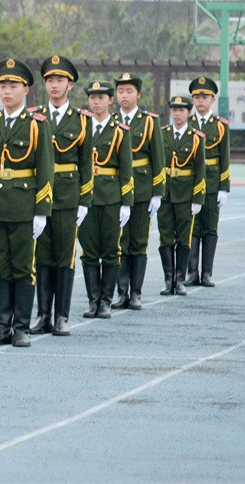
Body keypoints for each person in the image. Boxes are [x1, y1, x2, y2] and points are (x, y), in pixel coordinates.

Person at [0, 58, 53, 347]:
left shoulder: (37, 125)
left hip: (23, 205)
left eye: (13, 86)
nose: (7, 91)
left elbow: (45, 170)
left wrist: (41, 210)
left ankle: (22, 327)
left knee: (21, 267)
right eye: (3, 85)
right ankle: (2, 325)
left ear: (26, 90)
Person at [29, 55, 92, 336]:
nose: (54, 85)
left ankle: (61, 316)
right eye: (49, 80)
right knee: (41, 256)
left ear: (70, 85)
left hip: (67, 196)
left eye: (60, 80)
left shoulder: (81, 120)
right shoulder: (34, 117)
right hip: (39, 195)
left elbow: (87, 163)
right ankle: (42, 315)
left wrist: (85, 200)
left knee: (64, 256)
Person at [77, 81, 133, 319]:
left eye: (101, 97)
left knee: (110, 251)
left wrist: (127, 202)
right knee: (89, 251)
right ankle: (93, 300)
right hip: (86, 197)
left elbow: (126, 169)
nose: (96, 102)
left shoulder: (120, 131)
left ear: (111, 100)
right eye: (92, 97)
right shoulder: (80, 128)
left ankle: (106, 301)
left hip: (110, 197)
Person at [111, 73, 165, 311]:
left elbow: (158, 159)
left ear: (139, 95)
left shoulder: (149, 122)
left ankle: (136, 293)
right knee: (120, 242)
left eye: (129, 91)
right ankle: (122, 292)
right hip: (116, 189)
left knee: (138, 242)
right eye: (120, 91)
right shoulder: (111, 121)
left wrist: (157, 192)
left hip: (142, 188)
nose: (124, 95)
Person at [157, 95, 206, 296]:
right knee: (165, 236)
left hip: (186, 194)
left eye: (182, 110)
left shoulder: (196, 138)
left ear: (189, 113)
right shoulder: (162, 134)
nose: (177, 113)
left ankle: (179, 279)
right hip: (166, 193)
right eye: (174, 109)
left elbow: (200, 169)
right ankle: (168, 279)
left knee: (184, 238)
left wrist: (198, 198)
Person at [185, 76, 231, 287]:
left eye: (204, 97)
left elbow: (225, 157)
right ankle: (192, 272)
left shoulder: (220, 126)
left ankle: (207, 273)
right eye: (196, 97)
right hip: (191, 183)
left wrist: (224, 188)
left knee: (210, 228)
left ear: (212, 99)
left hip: (212, 183)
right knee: (192, 228)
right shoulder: (187, 123)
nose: (200, 101)